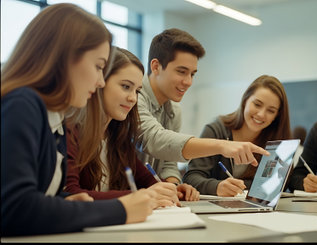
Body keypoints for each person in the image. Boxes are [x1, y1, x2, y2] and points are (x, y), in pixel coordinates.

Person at [1, 4, 159, 236]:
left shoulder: (53, 118)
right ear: (64, 58)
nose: (100, 82)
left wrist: (69, 202)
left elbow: (41, 197)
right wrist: (120, 210)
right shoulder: (22, 104)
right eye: (98, 67)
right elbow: (15, 208)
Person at [64, 47, 199, 203]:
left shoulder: (118, 138)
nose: (133, 98)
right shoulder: (69, 132)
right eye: (126, 87)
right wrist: (142, 195)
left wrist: (172, 190)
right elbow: (71, 193)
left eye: (137, 91)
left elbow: (149, 183)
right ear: (100, 82)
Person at [135, 28, 269, 184]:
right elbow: (155, 139)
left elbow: (169, 162)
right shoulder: (134, 97)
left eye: (192, 74)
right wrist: (222, 146)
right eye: (181, 71)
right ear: (156, 66)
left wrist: (175, 186)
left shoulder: (174, 111)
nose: (188, 82)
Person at [182, 75, 292, 196]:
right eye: (257, 104)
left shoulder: (277, 141)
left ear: (277, 116)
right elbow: (191, 177)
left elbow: (277, 185)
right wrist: (217, 187)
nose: (261, 114)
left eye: (271, 111)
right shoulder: (215, 131)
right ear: (245, 101)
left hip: (255, 211)